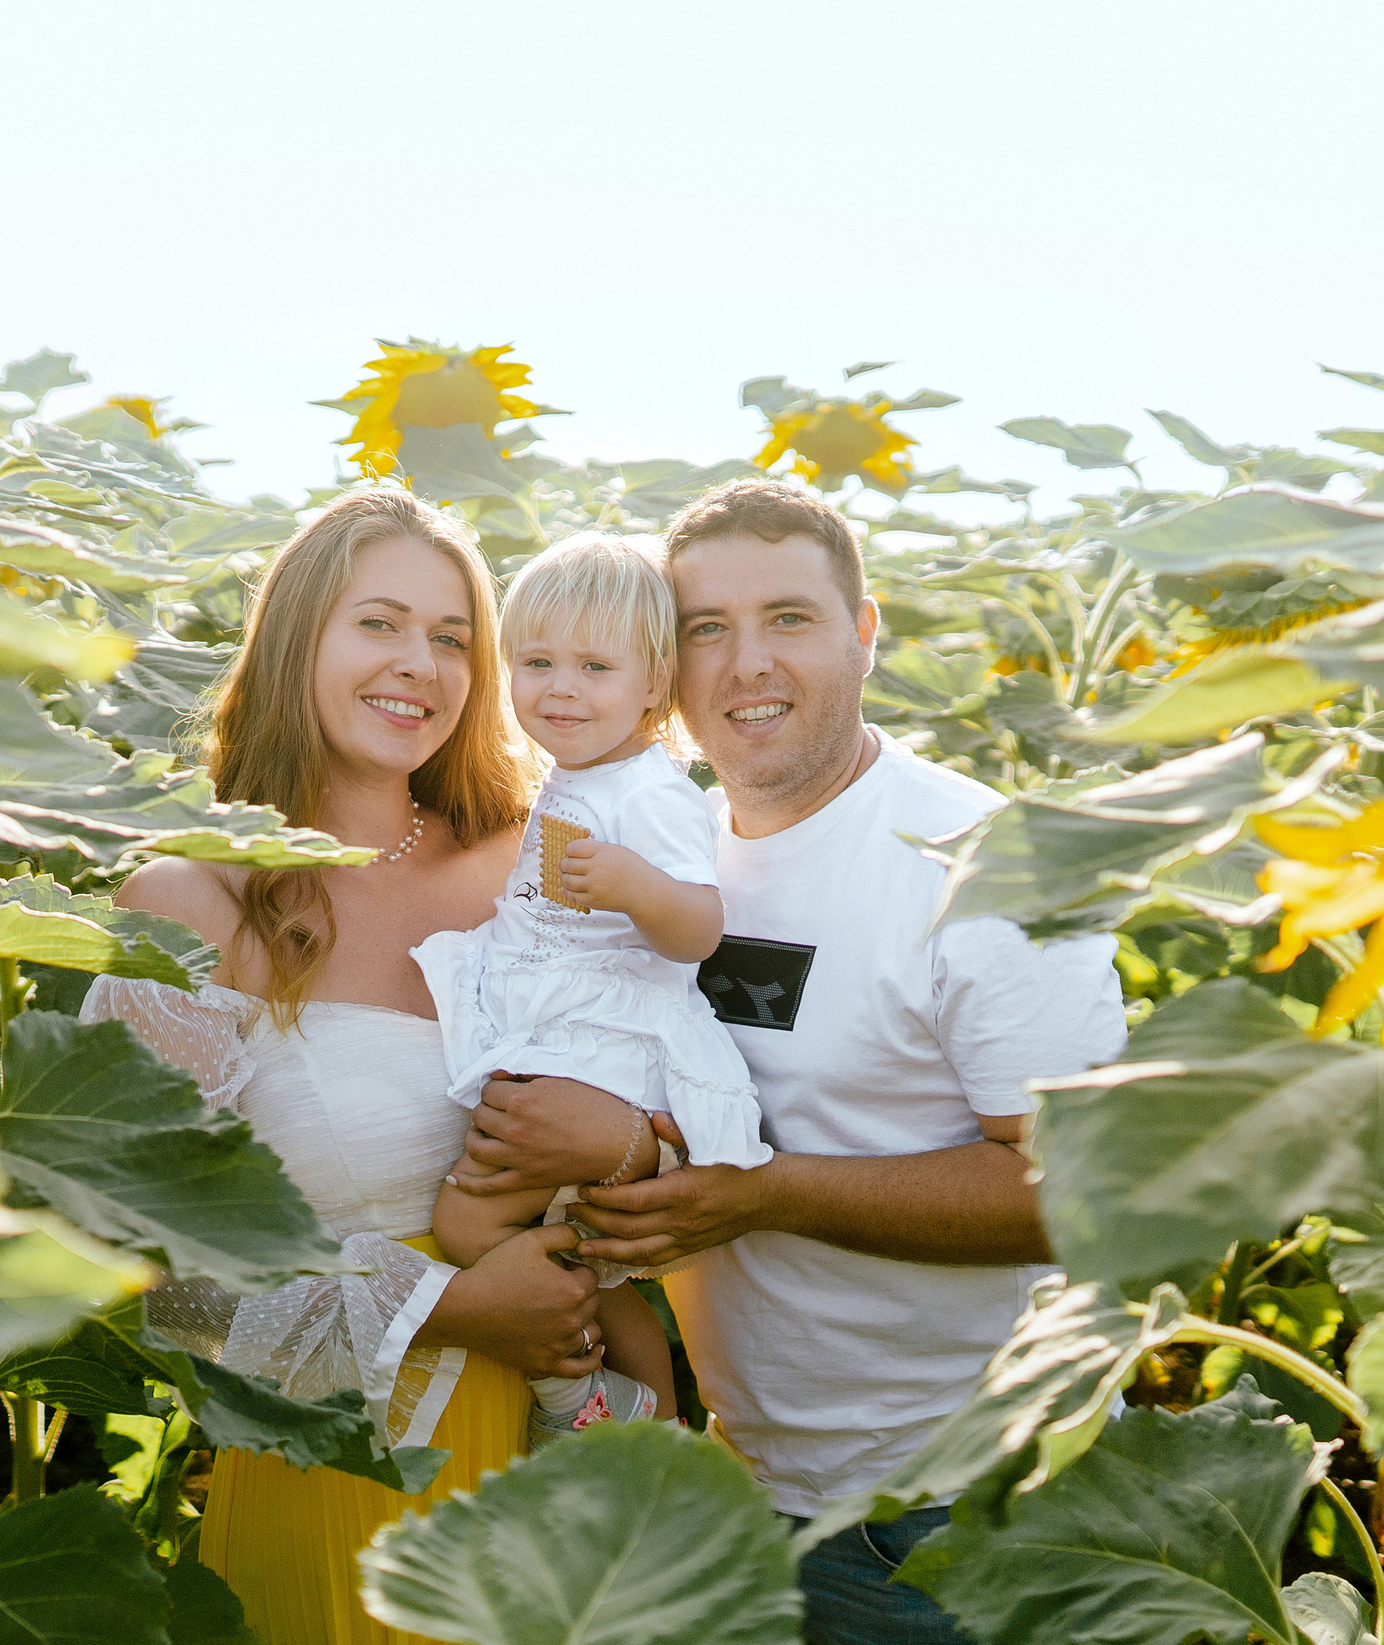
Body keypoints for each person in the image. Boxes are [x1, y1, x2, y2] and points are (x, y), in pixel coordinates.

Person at [450, 478, 1127, 1645]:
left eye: (790, 619)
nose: (745, 664)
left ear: (865, 634)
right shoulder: (666, 852)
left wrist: (762, 1198)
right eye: (707, 628)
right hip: (746, 1491)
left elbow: (1084, 1195)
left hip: (968, 1519)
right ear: (665, 665)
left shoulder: (989, 867)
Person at [85, 486, 607, 1645]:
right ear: (296, 639)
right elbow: (145, 1277)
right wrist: (458, 1310)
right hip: (330, 1472)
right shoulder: (185, 900)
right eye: (378, 624)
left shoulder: (542, 865)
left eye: (452, 637)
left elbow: (667, 1075)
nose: (417, 664)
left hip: (563, 1461)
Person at [416, 531, 767, 1446]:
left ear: (655, 684)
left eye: (593, 666)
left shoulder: (648, 793)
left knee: (466, 1220)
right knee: (570, 1245)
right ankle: (639, 1405)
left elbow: (698, 927)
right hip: (554, 1025)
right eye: (536, 662)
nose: (560, 687)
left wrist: (632, 887)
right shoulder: (574, 775)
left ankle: (573, 1389)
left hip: (601, 1044)